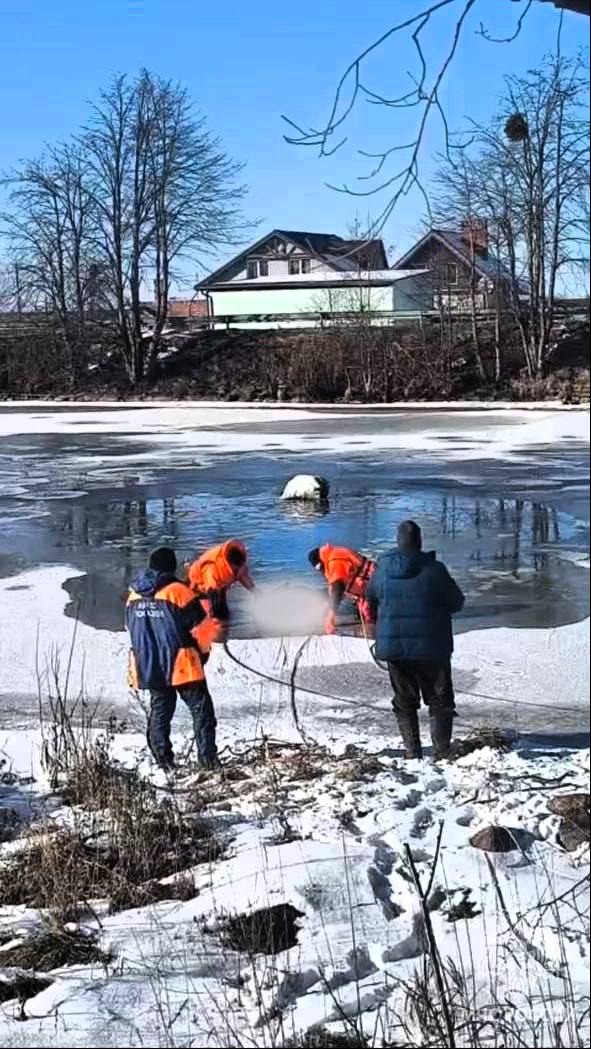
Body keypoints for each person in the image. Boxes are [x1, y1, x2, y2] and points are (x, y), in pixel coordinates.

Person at [366, 521, 465, 761]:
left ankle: (413, 752)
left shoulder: (381, 571)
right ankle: (441, 751)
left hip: (395, 649)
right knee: (440, 699)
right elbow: (456, 602)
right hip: (432, 647)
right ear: (419, 542)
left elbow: (370, 601)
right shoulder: (434, 569)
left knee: (404, 700)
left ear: (397, 541)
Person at [127, 547, 223, 772]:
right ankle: (208, 760)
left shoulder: (133, 595)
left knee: (160, 711)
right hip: (182, 664)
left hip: (148, 665)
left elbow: (131, 629)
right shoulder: (179, 592)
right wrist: (203, 653)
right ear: (171, 567)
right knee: (201, 711)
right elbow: (203, 629)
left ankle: (163, 761)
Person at [309, 545, 376, 635]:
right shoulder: (330, 560)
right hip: (367, 592)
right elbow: (333, 589)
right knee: (365, 614)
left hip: (377, 590)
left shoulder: (335, 559)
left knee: (372, 618)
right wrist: (327, 606)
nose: (321, 571)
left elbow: (338, 588)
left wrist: (330, 616)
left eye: (320, 568)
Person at [188, 539, 255, 621]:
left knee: (226, 613)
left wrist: (255, 592)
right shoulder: (212, 568)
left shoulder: (239, 558)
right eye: (235, 569)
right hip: (200, 587)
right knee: (217, 615)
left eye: (238, 568)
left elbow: (244, 577)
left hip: (221, 584)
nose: (237, 571)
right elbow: (212, 592)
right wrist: (216, 617)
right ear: (229, 564)